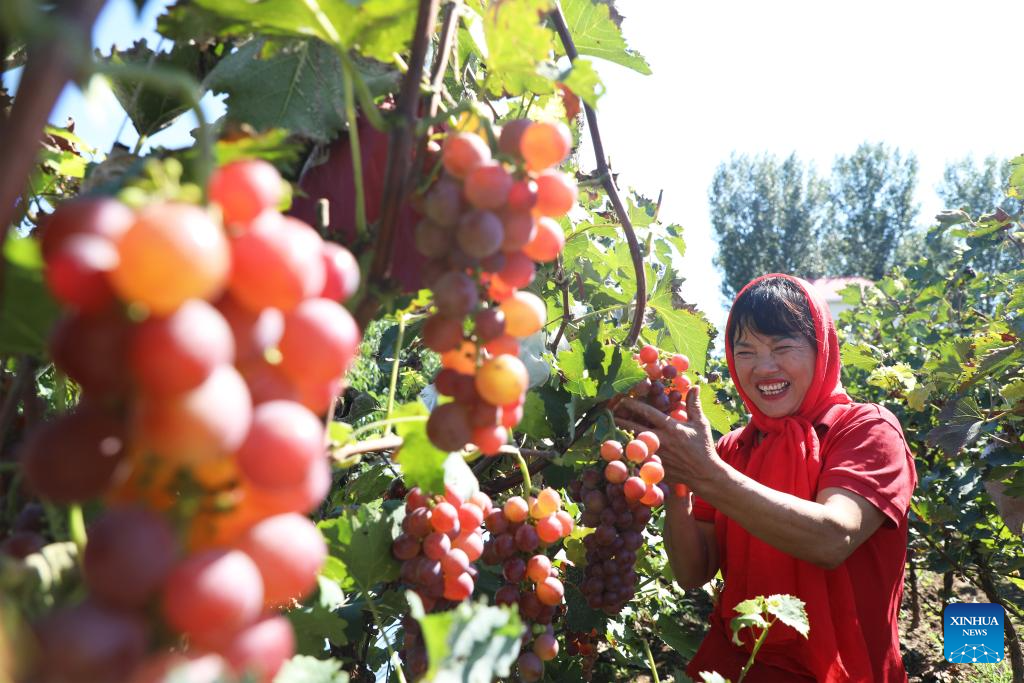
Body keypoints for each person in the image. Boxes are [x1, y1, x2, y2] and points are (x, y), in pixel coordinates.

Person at [615, 274, 917, 682]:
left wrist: (707, 475)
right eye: (746, 351)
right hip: (738, 668)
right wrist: (679, 482)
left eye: (782, 347)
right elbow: (692, 573)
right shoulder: (733, 449)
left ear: (821, 347)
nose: (763, 367)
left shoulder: (867, 430)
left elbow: (834, 538)